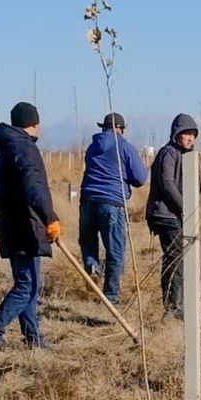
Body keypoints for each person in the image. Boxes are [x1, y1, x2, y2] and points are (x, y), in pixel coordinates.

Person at [0, 102, 59, 349]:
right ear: (34, 124)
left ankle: (33, 337)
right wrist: (50, 218)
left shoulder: (5, 147)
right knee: (28, 285)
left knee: (29, 284)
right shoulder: (25, 148)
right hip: (26, 225)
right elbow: (35, 186)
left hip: (12, 223)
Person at [79, 112, 149, 303]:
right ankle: (111, 295)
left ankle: (92, 267)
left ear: (103, 128)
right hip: (112, 202)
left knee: (88, 240)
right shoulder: (125, 147)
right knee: (115, 250)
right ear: (121, 129)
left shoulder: (92, 147)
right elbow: (141, 178)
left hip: (87, 200)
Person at [147, 113, 198, 316]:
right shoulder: (168, 153)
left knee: (176, 259)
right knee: (175, 260)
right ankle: (173, 308)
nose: (190, 138)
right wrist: (185, 207)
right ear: (176, 134)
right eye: (186, 134)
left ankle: (176, 305)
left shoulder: (183, 155)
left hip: (173, 214)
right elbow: (167, 184)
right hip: (167, 215)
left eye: (193, 135)